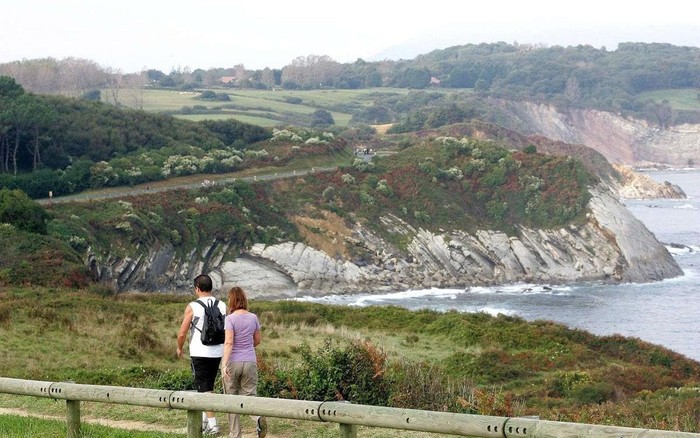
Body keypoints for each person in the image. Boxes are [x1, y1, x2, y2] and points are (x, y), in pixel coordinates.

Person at [177, 274, 227, 436]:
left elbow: (182, 333)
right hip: (218, 352)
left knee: (204, 389)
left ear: (197, 288)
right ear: (211, 287)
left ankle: (213, 425)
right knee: (208, 387)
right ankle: (205, 423)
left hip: (200, 352)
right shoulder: (222, 305)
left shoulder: (193, 306)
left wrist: (179, 348)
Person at [221, 286, 267, 438]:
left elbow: (228, 343)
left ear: (231, 301)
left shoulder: (230, 319)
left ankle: (235, 434)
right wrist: (246, 347)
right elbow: (258, 340)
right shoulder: (253, 317)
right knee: (249, 397)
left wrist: (224, 364)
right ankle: (257, 418)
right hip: (249, 361)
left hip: (233, 362)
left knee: (231, 399)